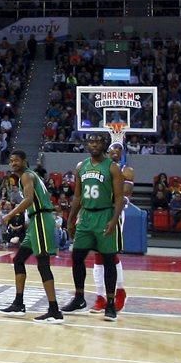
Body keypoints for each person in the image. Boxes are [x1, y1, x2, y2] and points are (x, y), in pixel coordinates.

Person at [62, 133, 124, 321]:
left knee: (108, 259)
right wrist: (71, 219)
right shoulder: (81, 166)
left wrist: (114, 220)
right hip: (86, 217)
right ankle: (79, 298)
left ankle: (111, 304)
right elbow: (78, 197)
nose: (94, 144)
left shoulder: (112, 168)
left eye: (98, 141)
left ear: (104, 144)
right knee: (77, 256)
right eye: (91, 141)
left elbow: (120, 197)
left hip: (104, 214)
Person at [0, 150, 63, 323]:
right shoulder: (27, 176)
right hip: (36, 221)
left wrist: (9, 215)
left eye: (17, 160)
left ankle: (54, 310)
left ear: (25, 161)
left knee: (43, 264)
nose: (13, 163)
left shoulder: (27, 176)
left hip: (42, 218)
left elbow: (28, 200)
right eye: (11, 161)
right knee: (19, 259)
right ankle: (18, 303)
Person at [90, 142, 133, 313]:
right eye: (113, 149)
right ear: (107, 152)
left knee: (109, 253)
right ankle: (100, 296)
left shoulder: (126, 170)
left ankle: (120, 291)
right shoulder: (100, 168)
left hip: (114, 213)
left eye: (119, 149)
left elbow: (125, 194)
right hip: (96, 213)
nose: (116, 151)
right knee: (97, 255)